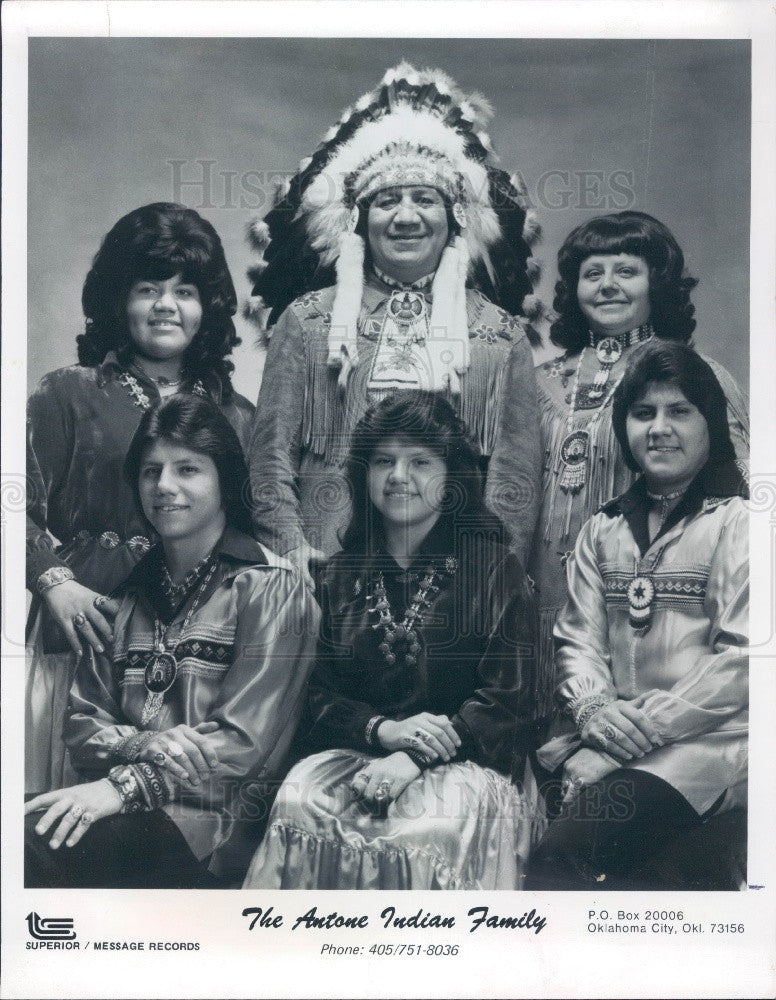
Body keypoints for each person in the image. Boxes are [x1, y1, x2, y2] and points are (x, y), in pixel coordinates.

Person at [246, 62, 544, 580]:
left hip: (457, 578)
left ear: (454, 219)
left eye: (424, 199)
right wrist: (295, 557)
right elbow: (270, 461)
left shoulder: (499, 335)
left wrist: (488, 575)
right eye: (387, 202)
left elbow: (515, 479)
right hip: (326, 574)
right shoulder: (308, 322)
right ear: (359, 223)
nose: (406, 217)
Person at [243, 392, 549, 890]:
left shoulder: (494, 568)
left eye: (420, 462)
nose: (398, 476)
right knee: (299, 797)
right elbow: (309, 694)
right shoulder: (337, 576)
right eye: (383, 461)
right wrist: (381, 731)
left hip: (470, 762)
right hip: (361, 752)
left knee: (429, 824)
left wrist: (415, 755)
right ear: (364, 474)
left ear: (451, 478)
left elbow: (512, 701)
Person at [25, 395, 319, 888]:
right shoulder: (128, 595)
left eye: (188, 469)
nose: (164, 487)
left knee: (30, 848)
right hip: (119, 808)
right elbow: (81, 728)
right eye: (150, 471)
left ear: (225, 479)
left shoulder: (271, 587)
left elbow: (244, 746)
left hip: (219, 829)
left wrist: (125, 784)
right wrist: (150, 742)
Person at [26, 202, 255, 792]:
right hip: (87, 629)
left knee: (175, 803)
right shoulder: (68, 393)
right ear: (117, 301)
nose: (164, 306)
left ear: (209, 308)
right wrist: (55, 582)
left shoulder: (238, 415)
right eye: (147, 288)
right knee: (60, 813)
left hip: (199, 645)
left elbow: (256, 532)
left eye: (184, 291)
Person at [525, 340, 748, 890]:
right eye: (643, 413)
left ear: (711, 424)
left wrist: (629, 741)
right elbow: (576, 641)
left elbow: (745, 662)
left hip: (711, 741)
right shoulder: (603, 529)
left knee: (561, 864)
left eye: (679, 411)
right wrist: (595, 716)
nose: (658, 428)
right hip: (608, 735)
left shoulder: (742, 522)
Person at [531, 210, 749, 688]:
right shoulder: (538, 381)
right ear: (574, 288)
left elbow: (731, 494)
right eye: (593, 274)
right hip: (541, 590)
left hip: (649, 594)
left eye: (626, 271)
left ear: (658, 283)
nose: (608, 285)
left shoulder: (695, 376)